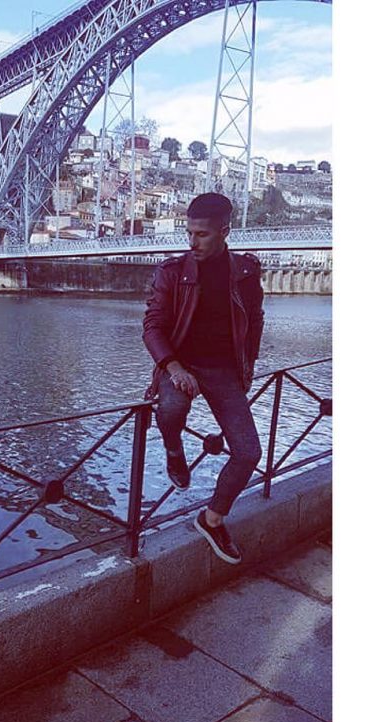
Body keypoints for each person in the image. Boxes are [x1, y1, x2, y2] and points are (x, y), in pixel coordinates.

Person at [142, 192, 264, 565]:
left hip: (224, 371)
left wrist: (248, 366)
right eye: (189, 233)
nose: (192, 242)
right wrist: (174, 368)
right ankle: (174, 450)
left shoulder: (246, 271)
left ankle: (211, 520)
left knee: (249, 452)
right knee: (171, 409)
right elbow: (152, 327)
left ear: (224, 232)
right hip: (180, 364)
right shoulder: (172, 272)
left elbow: (255, 321)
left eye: (202, 234)